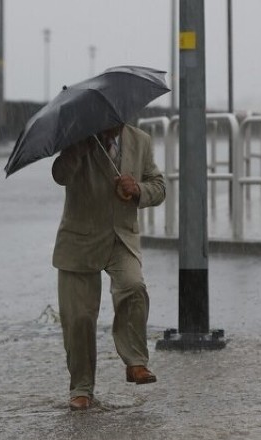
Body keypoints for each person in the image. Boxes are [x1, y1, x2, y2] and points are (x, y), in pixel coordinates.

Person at [51, 123, 166, 411]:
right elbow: (60, 175)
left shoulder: (140, 141)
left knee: (133, 286)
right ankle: (81, 388)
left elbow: (159, 187)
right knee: (79, 318)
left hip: (120, 238)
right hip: (80, 240)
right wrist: (78, 151)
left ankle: (136, 362)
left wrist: (137, 189)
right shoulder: (78, 138)